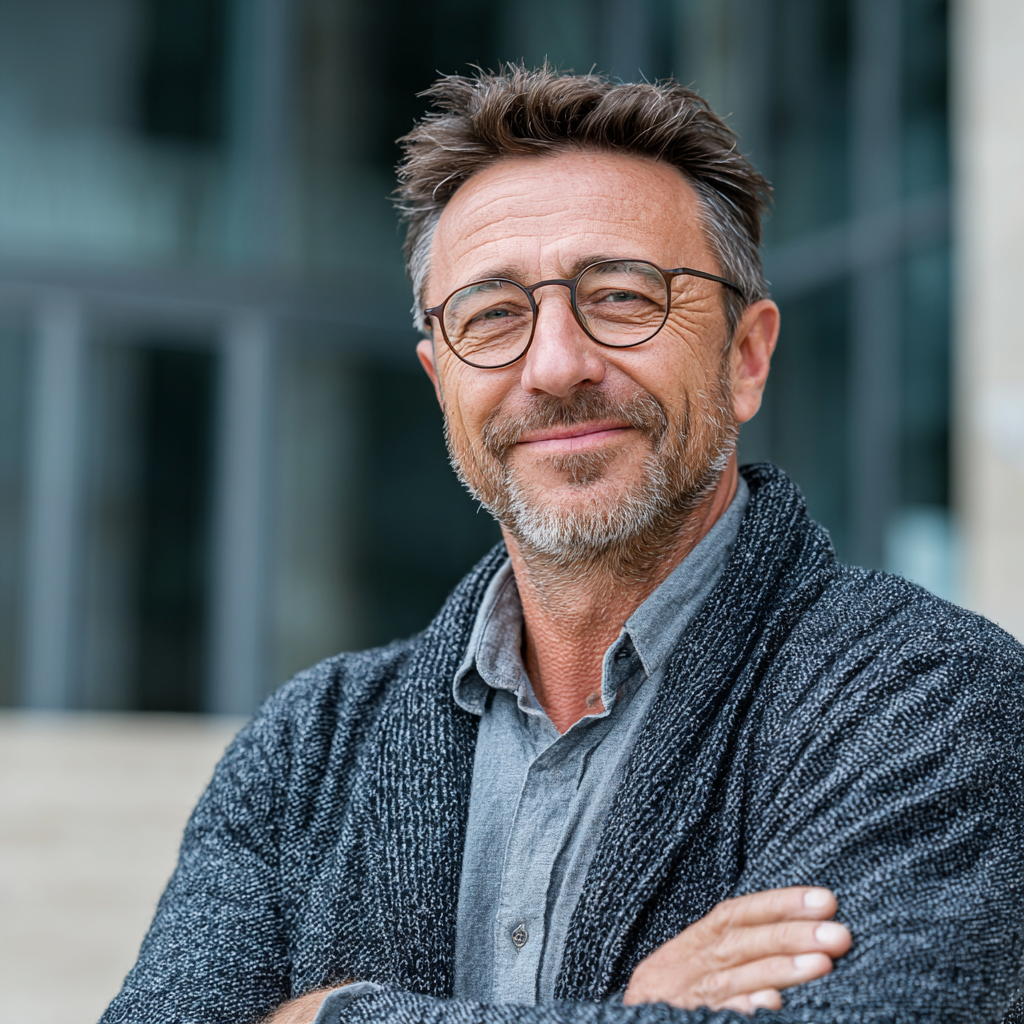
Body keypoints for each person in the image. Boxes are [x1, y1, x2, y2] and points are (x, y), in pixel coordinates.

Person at [100, 67, 1024, 1024]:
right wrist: (637, 1010)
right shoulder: (310, 743)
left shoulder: (929, 698)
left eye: (623, 297)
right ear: (438, 381)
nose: (554, 366)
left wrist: (328, 1015)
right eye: (492, 316)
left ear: (746, 358)